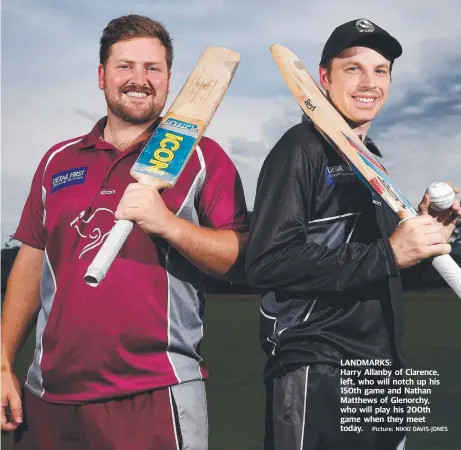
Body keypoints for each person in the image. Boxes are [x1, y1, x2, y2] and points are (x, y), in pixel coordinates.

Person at [1, 15, 249, 450]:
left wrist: (168, 224)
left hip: (154, 392)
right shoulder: (57, 161)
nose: (139, 79)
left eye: (153, 68)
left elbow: (238, 257)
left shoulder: (203, 158)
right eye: (125, 66)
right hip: (49, 396)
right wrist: (2, 361)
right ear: (102, 76)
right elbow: (32, 258)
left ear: (170, 78)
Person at [246, 18, 460, 450]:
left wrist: (421, 237)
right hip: (320, 367)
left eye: (381, 70)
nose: (370, 82)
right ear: (323, 78)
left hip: (382, 370)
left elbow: (377, 260)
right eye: (353, 69)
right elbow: (267, 262)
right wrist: (390, 253)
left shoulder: (371, 158)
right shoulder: (300, 149)